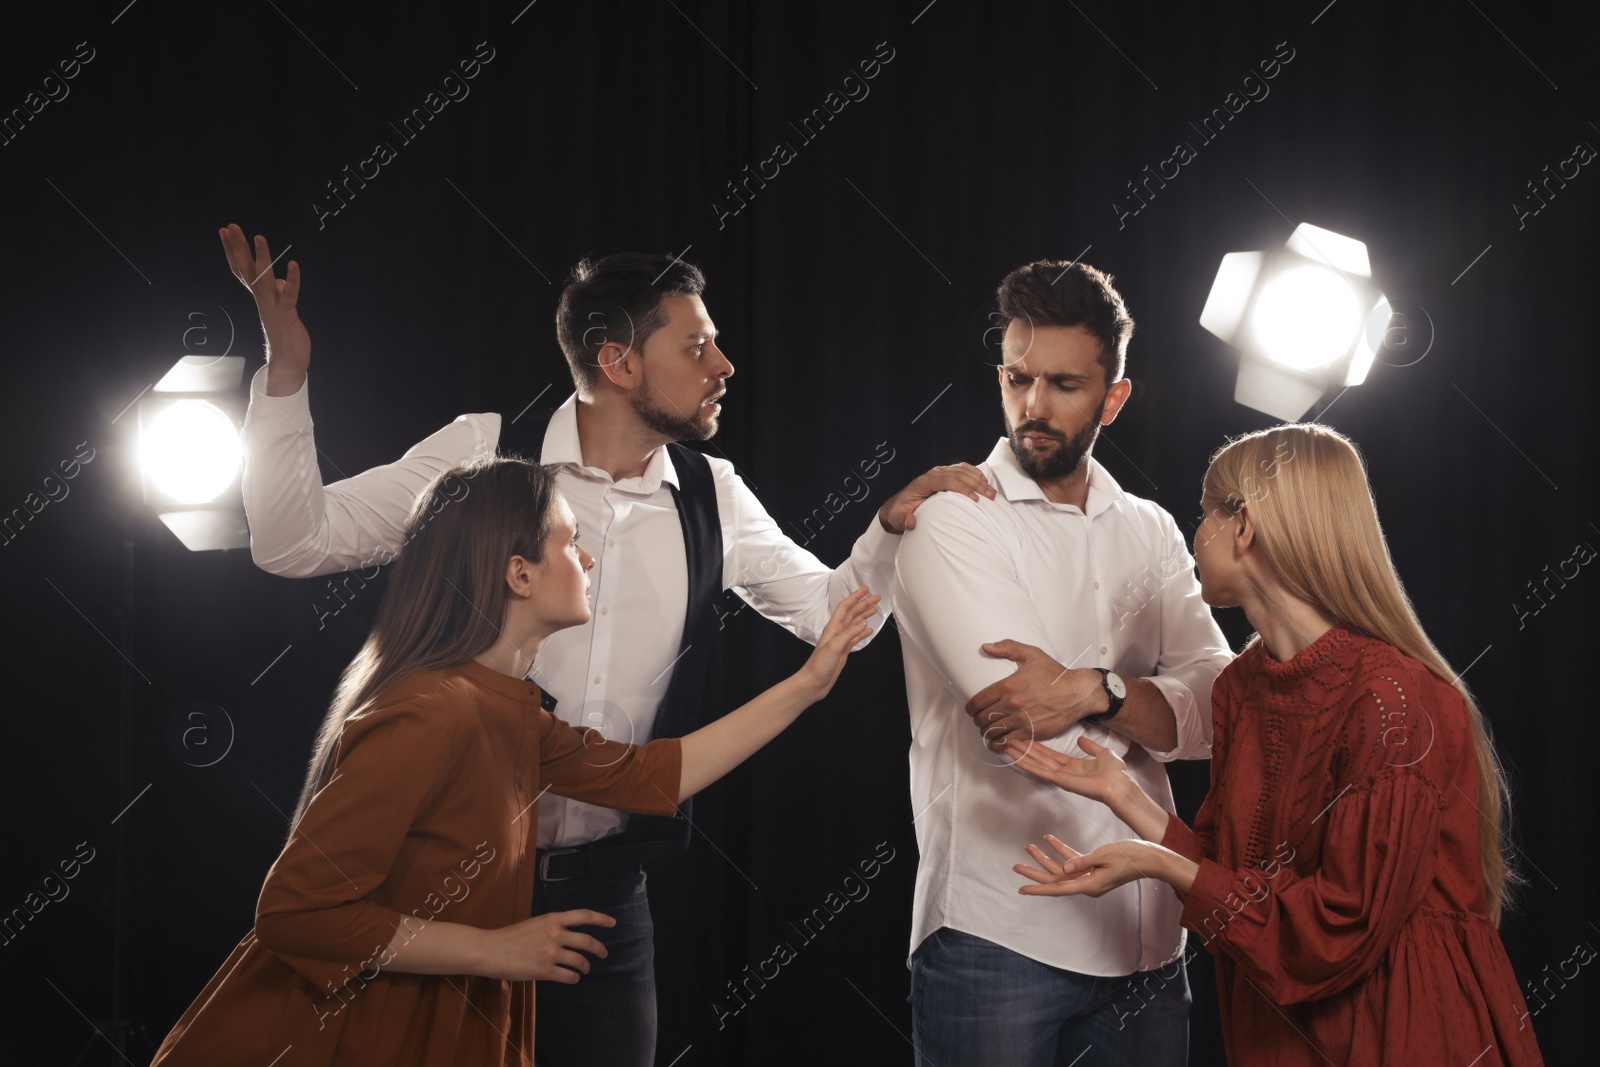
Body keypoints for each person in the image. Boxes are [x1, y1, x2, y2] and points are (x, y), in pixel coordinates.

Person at [216, 224, 991, 1064]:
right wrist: (286, 375)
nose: (723, 366)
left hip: (605, 897)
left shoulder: (712, 494)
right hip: (448, 887)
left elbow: (834, 616)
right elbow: (295, 543)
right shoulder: (483, 458)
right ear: (618, 362)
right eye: (697, 346)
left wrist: (886, 529)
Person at [149, 457, 881, 1066]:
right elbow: (294, 915)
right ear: (519, 574)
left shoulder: (508, 710)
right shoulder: (433, 710)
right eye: (569, 540)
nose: (587, 557)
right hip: (356, 1035)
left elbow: (653, 774)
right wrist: (495, 949)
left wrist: (810, 683)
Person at [1007, 423, 1545, 1066]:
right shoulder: (1242, 687)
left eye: (1202, 514)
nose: (1192, 536)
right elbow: (1241, 878)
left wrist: (1160, 864)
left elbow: (1339, 931)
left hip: (1399, 1033)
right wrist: (1126, 796)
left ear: (1245, 525)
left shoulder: (1393, 697)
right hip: (1283, 1031)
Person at [890, 259, 1232, 1066]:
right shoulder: (951, 520)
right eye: (1018, 378)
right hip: (999, 932)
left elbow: (1221, 712)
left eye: (1065, 385)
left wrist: (1092, 689)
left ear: (1113, 397)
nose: (1033, 407)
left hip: (1147, 939)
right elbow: (1017, 716)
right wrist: (1148, 705)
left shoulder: (1150, 528)